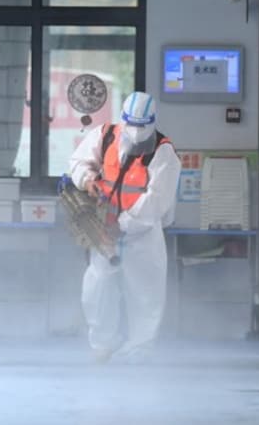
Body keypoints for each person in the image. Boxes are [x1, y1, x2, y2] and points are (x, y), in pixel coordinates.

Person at [68, 91, 181, 364]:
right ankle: (102, 345)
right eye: (132, 124)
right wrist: (88, 180)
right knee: (97, 288)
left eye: (143, 125)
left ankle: (139, 352)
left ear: (152, 123)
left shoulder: (163, 152)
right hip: (106, 226)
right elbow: (77, 162)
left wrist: (125, 225)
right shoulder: (104, 135)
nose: (137, 131)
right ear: (122, 119)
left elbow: (156, 202)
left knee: (145, 293)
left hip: (143, 233)